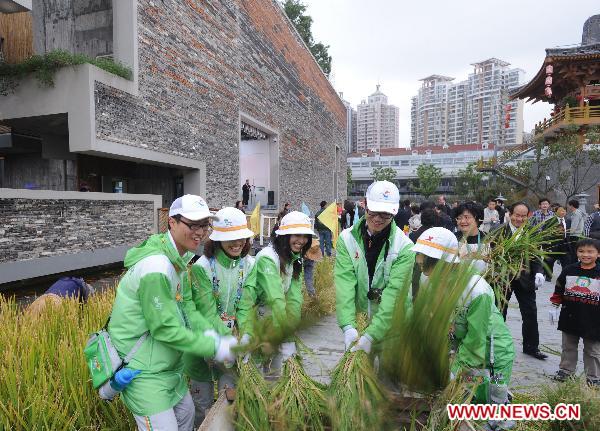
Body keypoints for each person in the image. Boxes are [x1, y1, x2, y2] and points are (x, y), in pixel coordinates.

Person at [107, 195, 238, 430]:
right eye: (193, 224)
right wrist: (214, 347)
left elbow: (189, 311)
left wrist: (223, 337)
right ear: (172, 222)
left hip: (170, 369)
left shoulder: (179, 260)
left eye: (205, 225)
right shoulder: (156, 267)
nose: (200, 232)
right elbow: (165, 329)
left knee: (187, 418)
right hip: (144, 372)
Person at [412, 227, 514, 410]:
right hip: (462, 348)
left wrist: (454, 372)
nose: (421, 267)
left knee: (493, 399)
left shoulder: (476, 290)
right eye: (419, 261)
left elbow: (476, 340)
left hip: (493, 352)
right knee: (468, 397)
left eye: (425, 262)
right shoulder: (427, 281)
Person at [184, 207, 255, 426]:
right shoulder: (202, 268)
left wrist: (246, 335)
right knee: (202, 403)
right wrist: (227, 340)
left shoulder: (249, 265)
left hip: (231, 340)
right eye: (230, 239)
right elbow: (206, 312)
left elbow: (245, 305)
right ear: (217, 240)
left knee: (229, 397)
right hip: (202, 340)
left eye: (241, 238)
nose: (237, 244)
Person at [335, 181, 415, 356]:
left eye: (386, 214)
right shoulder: (347, 239)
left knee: (388, 379)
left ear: (394, 213)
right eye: (374, 211)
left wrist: (372, 335)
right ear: (365, 204)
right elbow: (345, 283)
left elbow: (394, 294)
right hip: (360, 322)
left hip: (393, 324)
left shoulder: (405, 247)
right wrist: (348, 325)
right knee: (359, 379)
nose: (378, 219)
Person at [237, 211, 314, 371]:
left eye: (305, 236)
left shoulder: (293, 258)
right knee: (256, 369)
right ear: (284, 236)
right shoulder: (268, 258)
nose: (302, 241)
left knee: (277, 373)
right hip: (259, 320)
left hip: (277, 319)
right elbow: (275, 298)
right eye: (296, 235)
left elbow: (294, 298)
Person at [495, 202, 547, 360]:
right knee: (499, 312)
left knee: (530, 312)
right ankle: (497, 345)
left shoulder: (532, 232)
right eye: (517, 215)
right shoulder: (498, 231)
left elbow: (536, 256)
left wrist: (539, 272)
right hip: (503, 278)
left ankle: (531, 347)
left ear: (528, 216)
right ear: (510, 214)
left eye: (523, 216)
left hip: (525, 278)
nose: (519, 218)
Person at [549, 238, 600, 387]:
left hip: (594, 319)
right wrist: (554, 306)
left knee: (593, 350)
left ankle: (594, 377)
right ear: (576, 253)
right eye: (581, 251)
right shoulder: (569, 270)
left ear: (598, 254)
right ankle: (566, 371)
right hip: (570, 316)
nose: (585, 255)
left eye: (590, 252)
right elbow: (559, 288)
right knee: (568, 346)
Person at [26, 276, 95, 316]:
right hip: (64, 283)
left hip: (79, 286)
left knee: (85, 313)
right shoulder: (34, 307)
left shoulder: (62, 306)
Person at [455, 201, 489, 273]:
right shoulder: (453, 238)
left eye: (467, 217)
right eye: (459, 218)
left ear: (477, 219)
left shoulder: (489, 238)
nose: (462, 221)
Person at [543, 205, 573, 277]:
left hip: (565, 244)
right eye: (560, 210)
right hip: (554, 244)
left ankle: (565, 275)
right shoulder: (550, 221)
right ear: (556, 212)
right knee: (550, 261)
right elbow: (545, 233)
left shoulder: (568, 220)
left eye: (564, 211)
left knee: (566, 260)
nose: (562, 212)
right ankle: (548, 275)